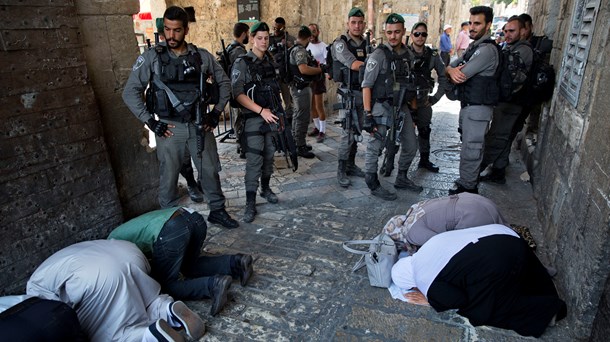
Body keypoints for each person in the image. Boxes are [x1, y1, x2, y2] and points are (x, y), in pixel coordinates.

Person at [122, 6, 238, 228]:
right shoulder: (152, 58)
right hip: (169, 128)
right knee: (169, 177)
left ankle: (218, 210)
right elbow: (130, 92)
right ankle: (167, 221)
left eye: (176, 30)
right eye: (167, 29)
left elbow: (224, 83)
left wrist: (215, 114)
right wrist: (150, 121)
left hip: (199, 125)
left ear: (186, 30)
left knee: (210, 170)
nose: (170, 36)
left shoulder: (201, 57)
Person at [392, 224, 567, 338]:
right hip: (508, 237)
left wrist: (430, 300)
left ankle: (547, 312)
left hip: (498, 263)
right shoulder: (427, 247)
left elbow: (458, 300)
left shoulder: (424, 281)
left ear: (411, 284)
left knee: (483, 307)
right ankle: (545, 290)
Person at [26, 239, 207, 342]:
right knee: (142, 297)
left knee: (106, 331)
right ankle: (167, 310)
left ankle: (146, 335)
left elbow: (59, 317)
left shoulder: (33, 291)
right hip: (128, 252)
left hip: (97, 274)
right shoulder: (51, 266)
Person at [108, 207, 253, 315]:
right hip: (193, 218)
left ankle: (212, 285)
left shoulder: (112, 246)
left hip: (171, 230)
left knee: (165, 285)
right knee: (190, 265)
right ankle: (236, 263)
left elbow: (136, 270)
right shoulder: (117, 234)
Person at [361, 13, 423, 201]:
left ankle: (402, 177)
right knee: (375, 146)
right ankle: (372, 182)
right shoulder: (378, 55)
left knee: (411, 144)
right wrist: (367, 114)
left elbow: (409, 83)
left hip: (401, 106)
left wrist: (412, 109)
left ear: (404, 31)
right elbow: (366, 85)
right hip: (381, 106)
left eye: (397, 32)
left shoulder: (408, 55)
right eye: (389, 32)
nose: (393, 36)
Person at [231, 22, 283, 222]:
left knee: (269, 155)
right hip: (253, 118)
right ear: (252, 38)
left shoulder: (269, 61)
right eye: (259, 38)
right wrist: (261, 111)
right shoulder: (242, 62)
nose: (263, 41)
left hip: (270, 116)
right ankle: (250, 202)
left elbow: (275, 90)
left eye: (266, 38)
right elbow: (237, 93)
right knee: (254, 159)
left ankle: (266, 188)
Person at [446, 6, 500, 195]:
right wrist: (451, 70)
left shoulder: (486, 51)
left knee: (472, 149)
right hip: (470, 106)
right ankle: (466, 182)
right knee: (468, 147)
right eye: (471, 22)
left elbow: (460, 73)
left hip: (479, 109)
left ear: (488, 25)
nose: (472, 27)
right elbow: (451, 68)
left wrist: (452, 70)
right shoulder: (473, 47)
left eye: (477, 23)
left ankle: (468, 189)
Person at [480, 16, 533, 184]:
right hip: (506, 101)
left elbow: (510, 78)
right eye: (506, 31)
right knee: (503, 137)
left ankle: (476, 170)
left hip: (512, 102)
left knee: (497, 137)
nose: (507, 34)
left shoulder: (523, 50)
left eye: (512, 31)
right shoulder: (512, 47)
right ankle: (498, 170)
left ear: (523, 31)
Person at [383, 192, 507, 247]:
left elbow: (440, 244)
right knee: (502, 228)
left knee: (496, 242)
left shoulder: (411, 233)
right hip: (473, 200)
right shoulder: (413, 211)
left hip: (472, 215)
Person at [332, 7, 368, 188]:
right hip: (347, 94)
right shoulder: (341, 43)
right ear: (348, 24)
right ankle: (341, 170)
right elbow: (353, 64)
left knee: (357, 130)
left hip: (362, 93)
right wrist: (374, 65)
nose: (357, 25)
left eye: (360, 22)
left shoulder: (366, 43)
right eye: (353, 22)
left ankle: (351, 164)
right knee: (347, 132)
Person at [408, 22, 450, 173]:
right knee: (399, 133)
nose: (420, 37)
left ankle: (424, 160)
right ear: (411, 35)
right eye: (417, 34)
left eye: (423, 34)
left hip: (423, 101)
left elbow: (443, 76)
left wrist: (435, 98)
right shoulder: (403, 53)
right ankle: (390, 162)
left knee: (424, 131)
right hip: (405, 102)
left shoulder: (432, 56)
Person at [289, 25, 324, 158]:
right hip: (301, 88)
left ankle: (296, 142)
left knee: (297, 115)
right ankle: (300, 146)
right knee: (302, 118)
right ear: (309, 37)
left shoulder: (293, 47)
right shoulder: (300, 50)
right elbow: (303, 69)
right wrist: (319, 70)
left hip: (297, 87)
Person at [269, 17, 296, 125]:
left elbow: (296, 53)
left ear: (283, 27)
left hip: (284, 74)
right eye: (274, 28)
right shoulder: (269, 39)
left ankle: (289, 119)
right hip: (272, 74)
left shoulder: (289, 39)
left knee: (288, 100)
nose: (275, 31)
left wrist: (289, 46)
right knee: (272, 99)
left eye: (278, 29)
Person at [306, 23, 328, 143]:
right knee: (312, 105)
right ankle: (317, 127)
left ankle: (323, 130)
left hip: (318, 78)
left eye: (314, 31)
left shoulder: (323, 46)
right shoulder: (306, 46)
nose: (312, 34)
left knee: (319, 105)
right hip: (309, 78)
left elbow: (326, 62)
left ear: (318, 32)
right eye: (310, 31)